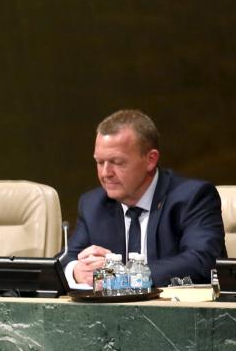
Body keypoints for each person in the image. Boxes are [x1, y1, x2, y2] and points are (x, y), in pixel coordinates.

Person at [64, 110, 226, 288]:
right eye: (99, 162)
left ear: (150, 159)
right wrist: (76, 271)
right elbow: (64, 259)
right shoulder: (93, 205)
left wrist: (122, 276)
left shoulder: (193, 197)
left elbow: (202, 261)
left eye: (117, 162)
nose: (105, 173)